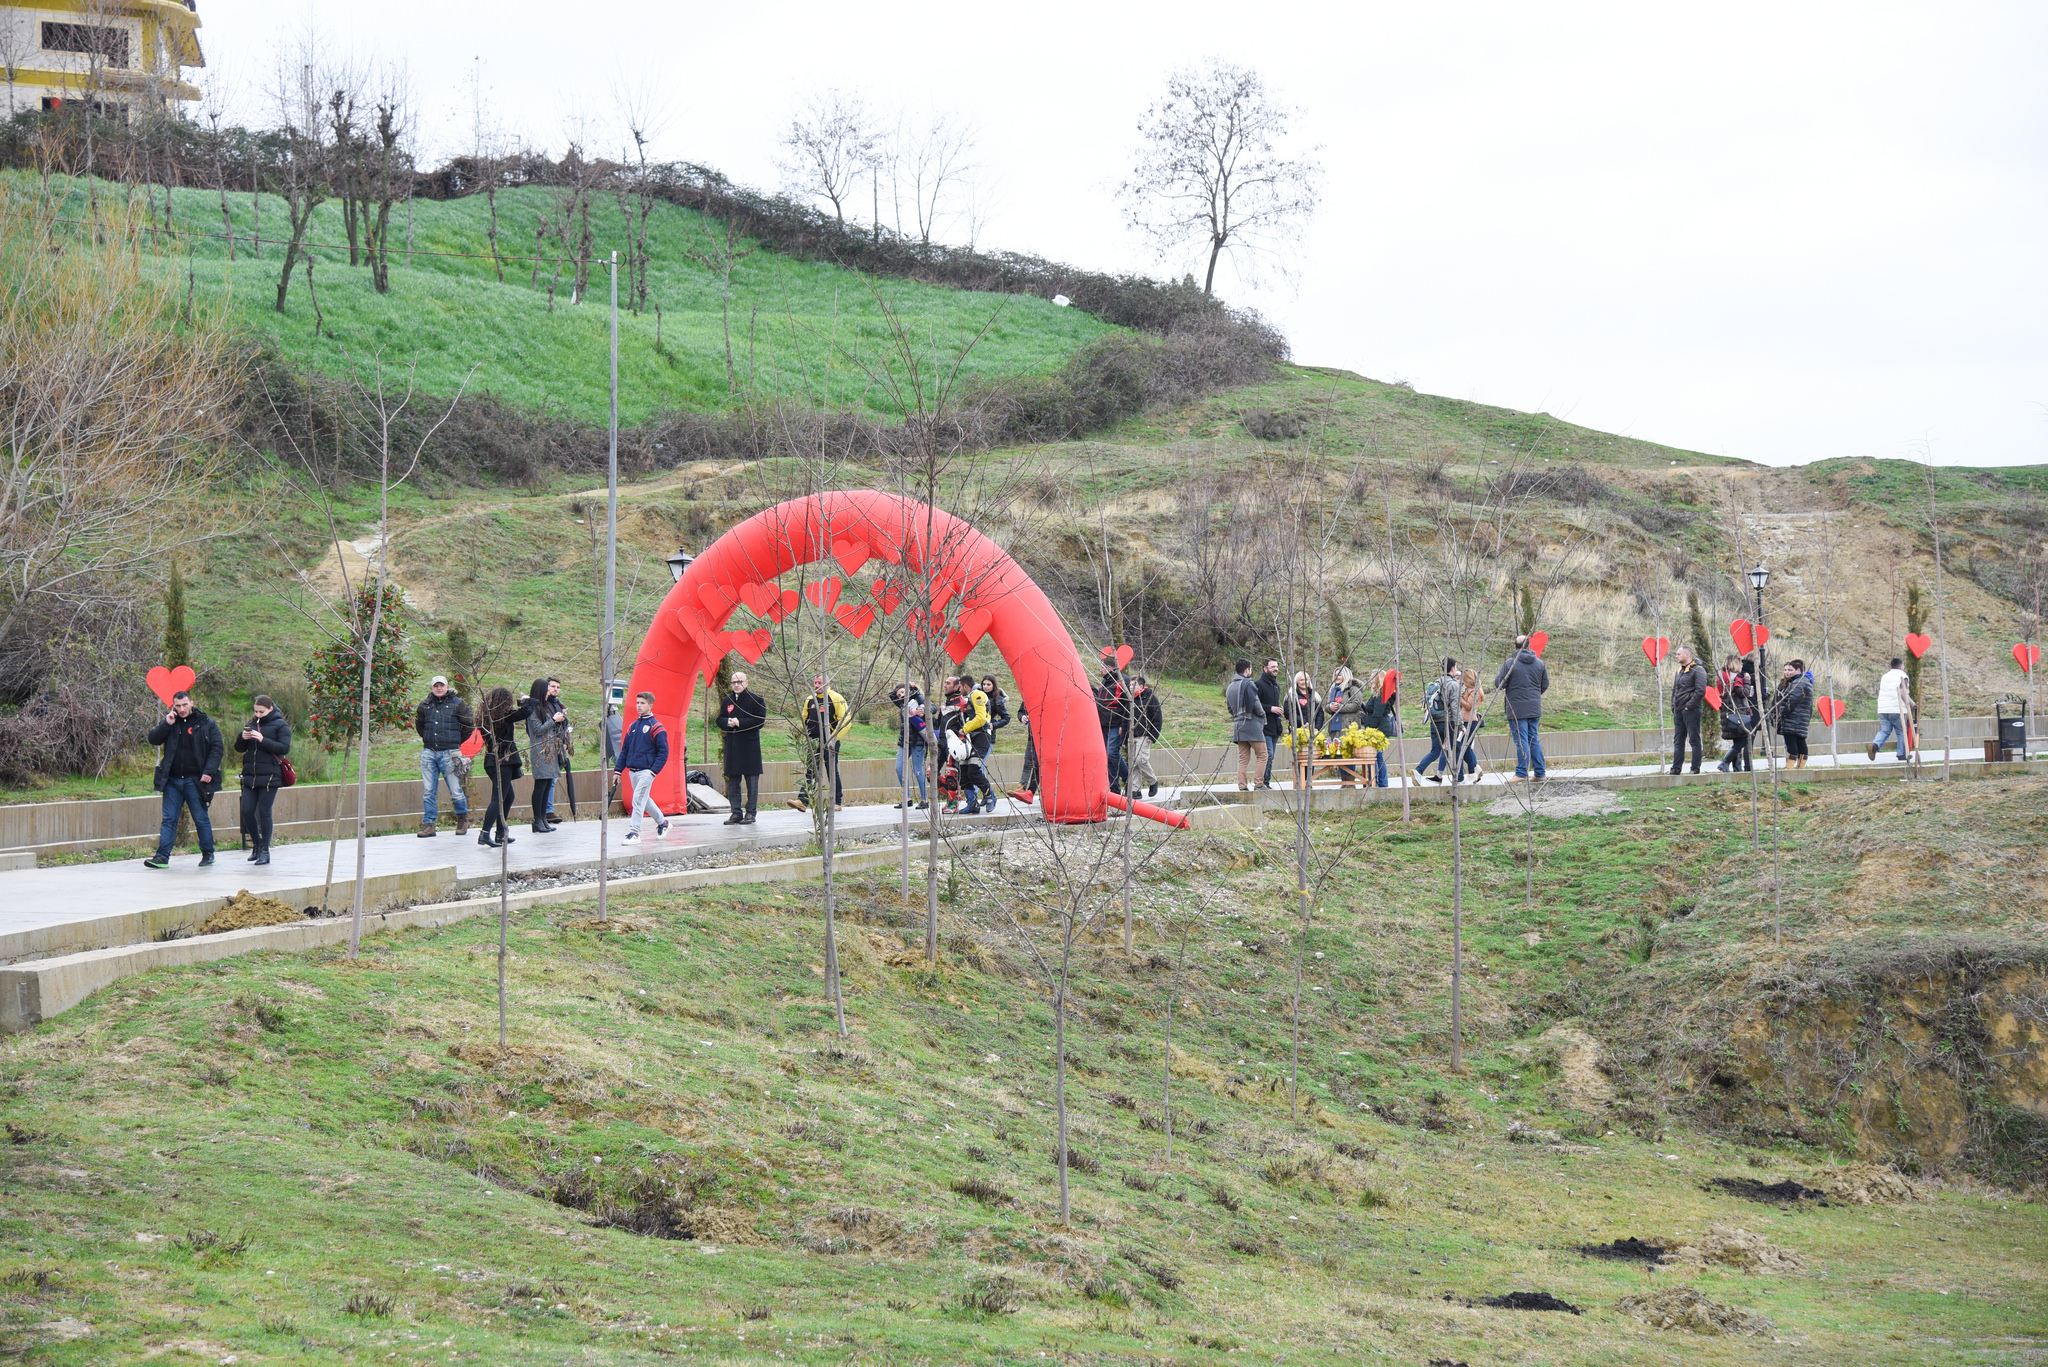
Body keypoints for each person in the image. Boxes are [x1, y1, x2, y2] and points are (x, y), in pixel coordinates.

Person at [142, 689, 222, 869]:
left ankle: (208, 853)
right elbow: (153, 739)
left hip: (195, 780)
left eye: (185, 704)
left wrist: (209, 771)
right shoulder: (171, 722)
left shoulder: (206, 723)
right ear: (173, 706)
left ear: (192, 703)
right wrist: (166, 724)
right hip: (172, 780)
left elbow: (217, 748)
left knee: (200, 818)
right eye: (177, 706)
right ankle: (162, 857)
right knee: (169, 819)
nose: (182, 709)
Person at [233, 694, 291, 866]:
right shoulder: (252, 724)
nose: (258, 714)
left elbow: (284, 748)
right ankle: (256, 845)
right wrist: (241, 738)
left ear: (270, 709)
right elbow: (239, 748)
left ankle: (265, 850)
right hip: (250, 775)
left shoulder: (281, 725)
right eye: (256, 711)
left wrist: (263, 740)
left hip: (270, 776)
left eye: (262, 711)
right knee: (247, 811)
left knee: (264, 812)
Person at [413, 675, 474, 838]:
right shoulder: (424, 705)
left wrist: (456, 741)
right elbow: (419, 725)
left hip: (450, 752)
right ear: (431, 688)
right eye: (436, 686)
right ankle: (429, 824)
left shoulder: (458, 704)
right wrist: (427, 737)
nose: (439, 688)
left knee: (455, 790)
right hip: (428, 752)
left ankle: (462, 818)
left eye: (442, 685)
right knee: (428, 790)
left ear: (447, 687)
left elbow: (469, 724)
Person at [476, 686, 533, 848]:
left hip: (492, 760)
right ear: (504, 702)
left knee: (508, 797)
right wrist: (525, 701)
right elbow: (526, 712)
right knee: (498, 798)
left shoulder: (486, 718)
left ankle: (501, 833)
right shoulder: (504, 717)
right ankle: (484, 834)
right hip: (503, 761)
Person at [1492, 635, 1550, 781]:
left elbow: (1499, 683)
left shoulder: (1510, 664)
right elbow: (1545, 684)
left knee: (1521, 741)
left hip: (1516, 709)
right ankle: (1539, 772)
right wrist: (1535, 696)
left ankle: (1522, 773)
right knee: (1533, 739)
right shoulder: (1539, 663)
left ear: (1515, 647)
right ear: (1529, 646)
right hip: (1534, 708)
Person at [616, 690, 670, 841]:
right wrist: (618, 771)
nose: (639, 706)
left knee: (637, 800)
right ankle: (663, 823)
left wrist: (653, 771)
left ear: (650, 705)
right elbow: (625, 750)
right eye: (637, 703)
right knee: (644, 800)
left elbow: (663, 752)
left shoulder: (656, 726)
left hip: (646, 771)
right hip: (632, 771)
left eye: (642, 703)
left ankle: (634, 833)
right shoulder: (632, 726)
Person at [792, 675, 849, 812]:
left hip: (830, 743)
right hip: (813, 742)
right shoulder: (809, 699)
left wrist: (834, 739)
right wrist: (803, 735)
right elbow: (804, 719)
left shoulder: (836, 698)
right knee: (811, 770)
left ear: (828, 683)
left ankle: (836, 801)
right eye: (815, 683)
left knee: (831, 771)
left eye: (820, 683)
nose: (817, 685)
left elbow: (845, 721)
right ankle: (802, 801)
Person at [720, 670, 766, 824]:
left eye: (739, 682)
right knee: (733, 781)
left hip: (750, 746)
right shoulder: (727, 701)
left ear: (746, 683)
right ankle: (736, 812)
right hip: (733, 746)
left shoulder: (756, 699)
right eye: (734, 682)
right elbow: (719, 719)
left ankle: (751, 813)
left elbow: (759, 721)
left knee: (752, 781)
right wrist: (728, 722)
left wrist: (740, 722)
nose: (737, 685)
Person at [523, 678, 568, 834]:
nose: (550, 692)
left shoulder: (545, 706)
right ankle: (537, 820)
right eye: (548, 690)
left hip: (551, 750)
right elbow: (538, 729)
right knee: (540, 787)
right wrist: (553, 720)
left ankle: (543, 819)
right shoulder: (533, 708)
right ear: (541, 691)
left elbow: (549, 726)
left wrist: (559, 720)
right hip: (540, 751)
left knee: (548, 785)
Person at [1417, 658, 1463, 783]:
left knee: (1436, 751)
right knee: (1456, 748)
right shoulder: (1453, 684)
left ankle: (1418, 771)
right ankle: (1460, 779)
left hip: (1435, 722)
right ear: (1453, 668)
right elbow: (1454, 707)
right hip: (1448, 722)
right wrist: (1460, 725)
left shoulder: (1435, 684)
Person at [959, 676, 998, 814]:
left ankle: (989, 795)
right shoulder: (968, 698)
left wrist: (965, 728)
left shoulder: (977, 694)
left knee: (974, 770)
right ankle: (972, 803)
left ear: (965, 686)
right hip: (969, 738)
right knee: (963, 773)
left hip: (981, 736)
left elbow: (981, 718)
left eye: (960, 687)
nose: (959, 690)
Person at [1322, 665, 1365, 787]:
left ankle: (1350, 783)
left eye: (1339, 674)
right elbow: (1327, 706)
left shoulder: (1353, 688)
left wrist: (1339, 708)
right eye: (1335, 675)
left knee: (1348, 754)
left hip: (1349, 726)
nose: (1336, 677)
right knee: (1339, 754)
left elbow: (1356, 704)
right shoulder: (1334, 690)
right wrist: (1330, 707)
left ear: (1345, 675)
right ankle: (1344, 782)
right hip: (1336, 726)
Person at [1670, 646, 1709, 775]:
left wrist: (1689, 706)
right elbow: (1675, 690)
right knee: (1678, 741)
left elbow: (1700, 691)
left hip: (1691, 710)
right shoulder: (1680, 670)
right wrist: (1674, 706)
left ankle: (1695, 768)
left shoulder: (1698, 670)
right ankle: (1676, 768)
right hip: (1679, 710)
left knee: (1694, 739)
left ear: (1687, 655)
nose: (1676, 656)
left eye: (1678, 654)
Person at [890, 683, 930, 809]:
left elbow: (932, 708)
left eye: (903, 692)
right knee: (899, 768)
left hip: (918, 741)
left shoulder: (919, 698)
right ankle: (907, 798)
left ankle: (924, 799)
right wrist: (903, 687)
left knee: (917, 771)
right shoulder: (902, 704)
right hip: (904, 741)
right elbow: (891, 695)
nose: (901, 695)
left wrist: (916, 688)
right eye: (899, 694)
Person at [1227, 660, 1265, 791]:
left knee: (1243, 759)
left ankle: (1242, 786)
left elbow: (1229, 708)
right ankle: (1259, 784)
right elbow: (1256, 704)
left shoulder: (1230, 687)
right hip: (1252, 724)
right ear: (1247, 670)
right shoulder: (1249, 683)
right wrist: (1262, 715)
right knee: (1262, 755)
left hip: (1238, 725)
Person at [1714, 654, 1754, 773]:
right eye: (1740, 663)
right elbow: (1744, 693)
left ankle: (1737, 769)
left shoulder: (1722, 677)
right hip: (1737, 711)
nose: (1742, 665)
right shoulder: (1736, 678)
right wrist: (1747, 681)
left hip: (1728, 711)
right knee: (1745, 738)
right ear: (1735, 664)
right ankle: (1725, 762)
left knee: (1737, 740)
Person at [1360, 671, 1399, 788]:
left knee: (1376, 756)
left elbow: (1377, 713)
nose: (1370, 681)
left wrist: (1370, 729)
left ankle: (1377, 782)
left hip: (1378, 728)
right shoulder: (1378, 693)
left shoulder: (1381, 694)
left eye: (1372, 678)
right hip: (1378, 727)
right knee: (1378, 756)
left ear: (1378, 679)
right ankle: (1380, 782)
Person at [1871, 656, 1913, 761]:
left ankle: (1875, 745)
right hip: (1897, 709)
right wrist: (1912, 704)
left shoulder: (1885, 676)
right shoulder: (1903, 676)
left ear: (1891, 666)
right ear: (1900, 666)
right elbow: (1903, 693)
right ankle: (1901, 753)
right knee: (1901, 731)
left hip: (1883, 708)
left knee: (1885, 730)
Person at [1128, 676, 1164, 798]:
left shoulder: (1150, 698)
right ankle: (1135, 790)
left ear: (1141, 687)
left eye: (1133, 685)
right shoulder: (1131, 701)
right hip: (1132, 736)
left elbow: (1157, 719)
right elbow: (1126, 719)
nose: (1131, 687)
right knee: (1133, 763)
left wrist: (1153, 736)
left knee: (1140, 760)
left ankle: (1153, 781)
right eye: (1130, 685)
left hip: (1145, 736)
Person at [1776, 660, 1814, 769]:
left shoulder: (1799, 683)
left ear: (1798, 670)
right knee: (1800, 741)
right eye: (1786, 670)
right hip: (1800, 718)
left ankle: (1790, 767)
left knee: (1791, 741)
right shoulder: (1805, 681)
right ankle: (1800, 766)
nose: (1788, 673)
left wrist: (1782, 714)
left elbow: (1791, 702)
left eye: (1791, 670)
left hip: (1793, 718)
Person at [1454, 667, 1486, 782]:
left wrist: (1459, 698)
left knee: (1464, 747)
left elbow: (1468, 706)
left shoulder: (1475, 692)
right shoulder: (1470, 690)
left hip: (1470, 721)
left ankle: (1473, 772)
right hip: (1466, 721)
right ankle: (1476, 769)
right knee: (1465, 747)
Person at [1256, 657, 1284, 788]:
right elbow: (1255, 705)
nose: (1276, 669)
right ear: (1265, 669)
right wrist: (1270, 708)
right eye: (1273, 667)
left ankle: (1266, 782)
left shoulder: (1276, 686)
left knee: (1271, 757)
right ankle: (1261, 783)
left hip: (1275, 727)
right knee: (1268, 755)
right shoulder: (1258, 685)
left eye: (1277, 666)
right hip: (1264, 726)